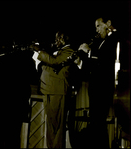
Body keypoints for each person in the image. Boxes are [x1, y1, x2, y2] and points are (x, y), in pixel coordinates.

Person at [0, 39, 38, 148]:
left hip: (1, 110)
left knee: (0, 139)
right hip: (13, 110)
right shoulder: (18, 60)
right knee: (11, 140)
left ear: (0, 47)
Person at [77, 16, 119, 148]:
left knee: (98, 125)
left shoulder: (113, 39)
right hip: (97, 90)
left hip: (102, 91)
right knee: (97, 125)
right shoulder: (103, 41)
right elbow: (96, 64)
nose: (97, 30)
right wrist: (81, 61)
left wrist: (88, 52)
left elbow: (103, 63)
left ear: (108, 23)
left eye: (98, 26)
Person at [32, 30, 78, 148]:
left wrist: (39, 51)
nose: (56, 41)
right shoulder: (59, 51)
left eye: (58, 39)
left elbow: (55, 62)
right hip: (49, 89)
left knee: (57, 127)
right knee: (51, 126)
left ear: (63, 39)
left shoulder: (69, 51)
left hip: (57, 91)